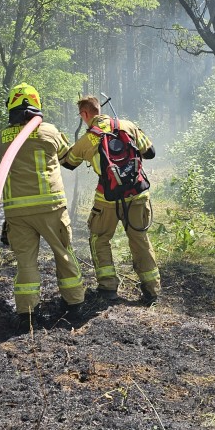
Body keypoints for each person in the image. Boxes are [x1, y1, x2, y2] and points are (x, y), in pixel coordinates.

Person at [0, 83, 85, 321]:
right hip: (50, 207)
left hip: (17, 212)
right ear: (37, 106)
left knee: (25, 262)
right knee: (63, 254)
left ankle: (26, 312)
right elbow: (69, 159)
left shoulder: (1, 138)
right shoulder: (49, 131)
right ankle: (74, 303)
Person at [61, 95, 160, 305]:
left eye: (81, 115)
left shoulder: (89, 138)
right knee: (139, 238)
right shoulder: (127, 125)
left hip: (108, 198)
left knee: (100, 238)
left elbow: (69, 163)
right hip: (138, 193)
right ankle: (152, 291)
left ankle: (108, 289)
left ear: (85, 114)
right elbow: (150, 152)